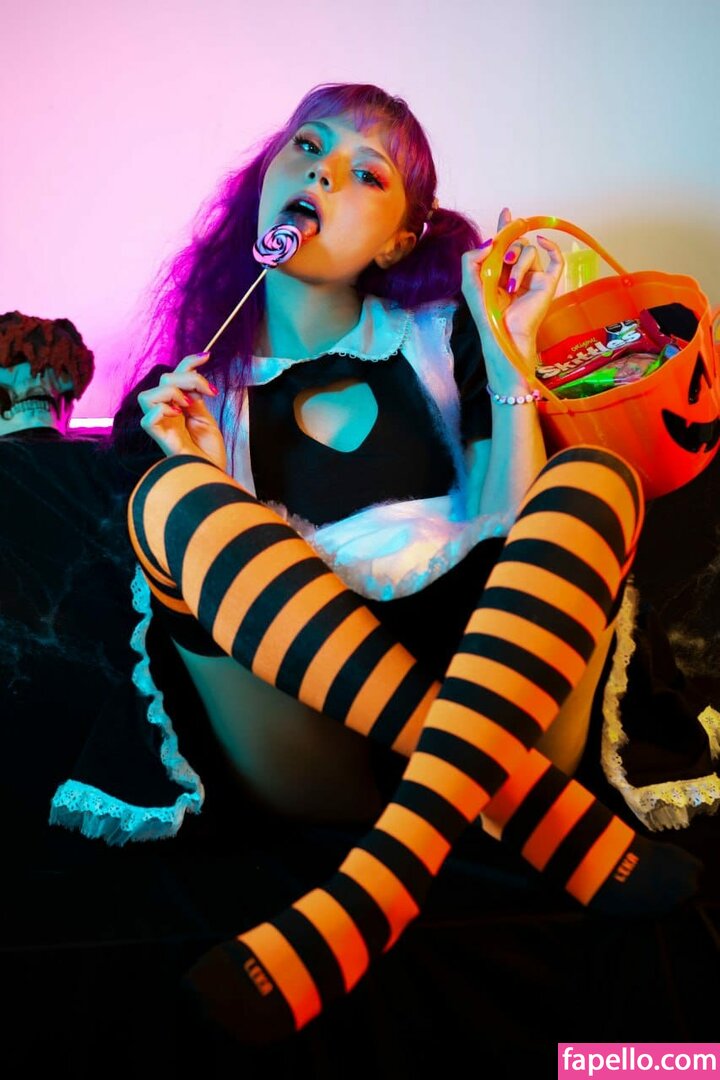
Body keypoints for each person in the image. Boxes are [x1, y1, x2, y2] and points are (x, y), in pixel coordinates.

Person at [115, 84, 713, 1047]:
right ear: (265, 178)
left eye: (367, 173)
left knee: (597, 478)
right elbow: (220, 594)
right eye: (308, 147)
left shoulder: (444, 337)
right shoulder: (187, 397)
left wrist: (506, 351)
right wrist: (198, 465)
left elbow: (511, 535)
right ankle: (544, 820)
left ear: (399, 240)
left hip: (494, 675)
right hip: (311, 728)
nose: (323, 172)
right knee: (168, 495)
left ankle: (376, 887)